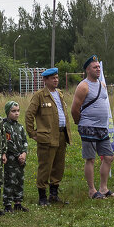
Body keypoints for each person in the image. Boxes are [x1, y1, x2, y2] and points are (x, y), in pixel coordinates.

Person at [72, 55, 114, 198]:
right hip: (88, 126)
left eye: (99, 67)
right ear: (88, 69)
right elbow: (74, 109)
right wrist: (81, 123)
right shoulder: (83, 86)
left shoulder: (102, 85)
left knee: (109, 157)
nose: (98, 69)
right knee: (90, 158)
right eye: (95, 67)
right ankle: (92, 190)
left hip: (102, 127)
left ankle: (103, 188)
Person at [25, 68, 69, 205]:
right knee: (46, 166)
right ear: (45, 80)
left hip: (62, 134)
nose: (56, 80)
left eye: (57, 77)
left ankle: (54, 194)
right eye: (52, 78)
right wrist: (33, 133)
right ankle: (42, 196)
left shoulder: (60, 94)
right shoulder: (40, 95)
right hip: (47, 137)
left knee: (58, 165)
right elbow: (29, 114)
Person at [1, 101, 29, 211]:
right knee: (10, 180)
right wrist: (18, 155)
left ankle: (18, 202)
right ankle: (7, 204)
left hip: (20, 159)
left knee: (19, 180)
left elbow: (24, 141)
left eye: (18, 111)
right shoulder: (5, 126)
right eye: (13, 111)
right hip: (11, 159)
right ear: (8, 112)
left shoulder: (20, 127)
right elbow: (8, 143)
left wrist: (24, 153)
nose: (16, 113)